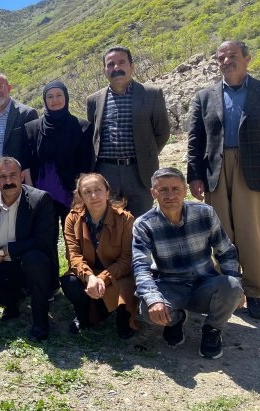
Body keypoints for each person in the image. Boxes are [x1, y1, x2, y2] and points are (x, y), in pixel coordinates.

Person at [133, 168, 243, 359]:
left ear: (185, 190)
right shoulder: (144, 224)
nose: (170, 195)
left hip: (204, 283)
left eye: (176, 189)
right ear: (153, 193)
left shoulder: (205, 213)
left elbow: (226, 250)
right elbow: (140, 266)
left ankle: (212, 330)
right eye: (163, 190)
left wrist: (237, 285)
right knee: (146, 308)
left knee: (232, 286)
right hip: (170, 285)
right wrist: (154, 300)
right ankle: (175, 319)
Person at [187, 40, 260, 319]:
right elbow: (195, 139)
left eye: (232, 56)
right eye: (221, 57)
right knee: (221, 232)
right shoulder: (204, 96)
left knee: (250, 231)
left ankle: (254, 291)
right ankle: (227, 287)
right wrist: (194, 175)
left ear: (247, 59)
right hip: (215, 169)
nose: (226, 61)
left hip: (251, 167)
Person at [0, 157, 57, 341]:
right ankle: (12, 301)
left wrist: (4, 251)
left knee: (35, 260)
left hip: (28, 262)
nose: (8, 181)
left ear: (22, 176)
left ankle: (40, 321)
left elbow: (44, 240)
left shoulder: (40, 199)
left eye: (13, 175)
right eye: (2, 177)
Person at [87, 46, 171, 217]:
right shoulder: (94, 100)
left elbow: (162, 132)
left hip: (139, 172)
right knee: (109, 224)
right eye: (110, 64)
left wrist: (145, 155)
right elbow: (93, 136)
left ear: (132, 66)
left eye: (121, 63)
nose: (116, 68)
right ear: (104, 70)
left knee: (141, 223)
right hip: (106, 171)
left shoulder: (151, 94)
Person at [60, 173, 137, 339]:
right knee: (70, 282)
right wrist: (89, 277)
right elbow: (73, 256)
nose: (93, 196)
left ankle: (122, 315)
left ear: (107, 192)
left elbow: (126, 260)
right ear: (80, 195)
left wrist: (102, 278)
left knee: (124, 328)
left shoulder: (125, 219)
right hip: (88, 274)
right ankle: (85, 315)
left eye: (98, 190)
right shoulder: (72, 219)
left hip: (116, 275)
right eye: (87, 192)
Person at [24, 80, 95, 228]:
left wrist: (79, 192)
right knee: (45, 237)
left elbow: (85, 162)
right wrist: (30, 191)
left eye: (58, 95)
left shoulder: (82, 127)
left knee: (73, 235)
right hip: (40, 193)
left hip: (70, 192)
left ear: (66, 97)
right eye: (50, 96)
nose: (54, 100)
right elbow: (27, 161)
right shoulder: (32, 128)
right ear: (44, 100)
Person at [0, 73, 38, 193]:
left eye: (0, 86)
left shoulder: (26, 114)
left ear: (9, 88)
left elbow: (31, 151)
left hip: (14, 181)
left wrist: (29, 183)